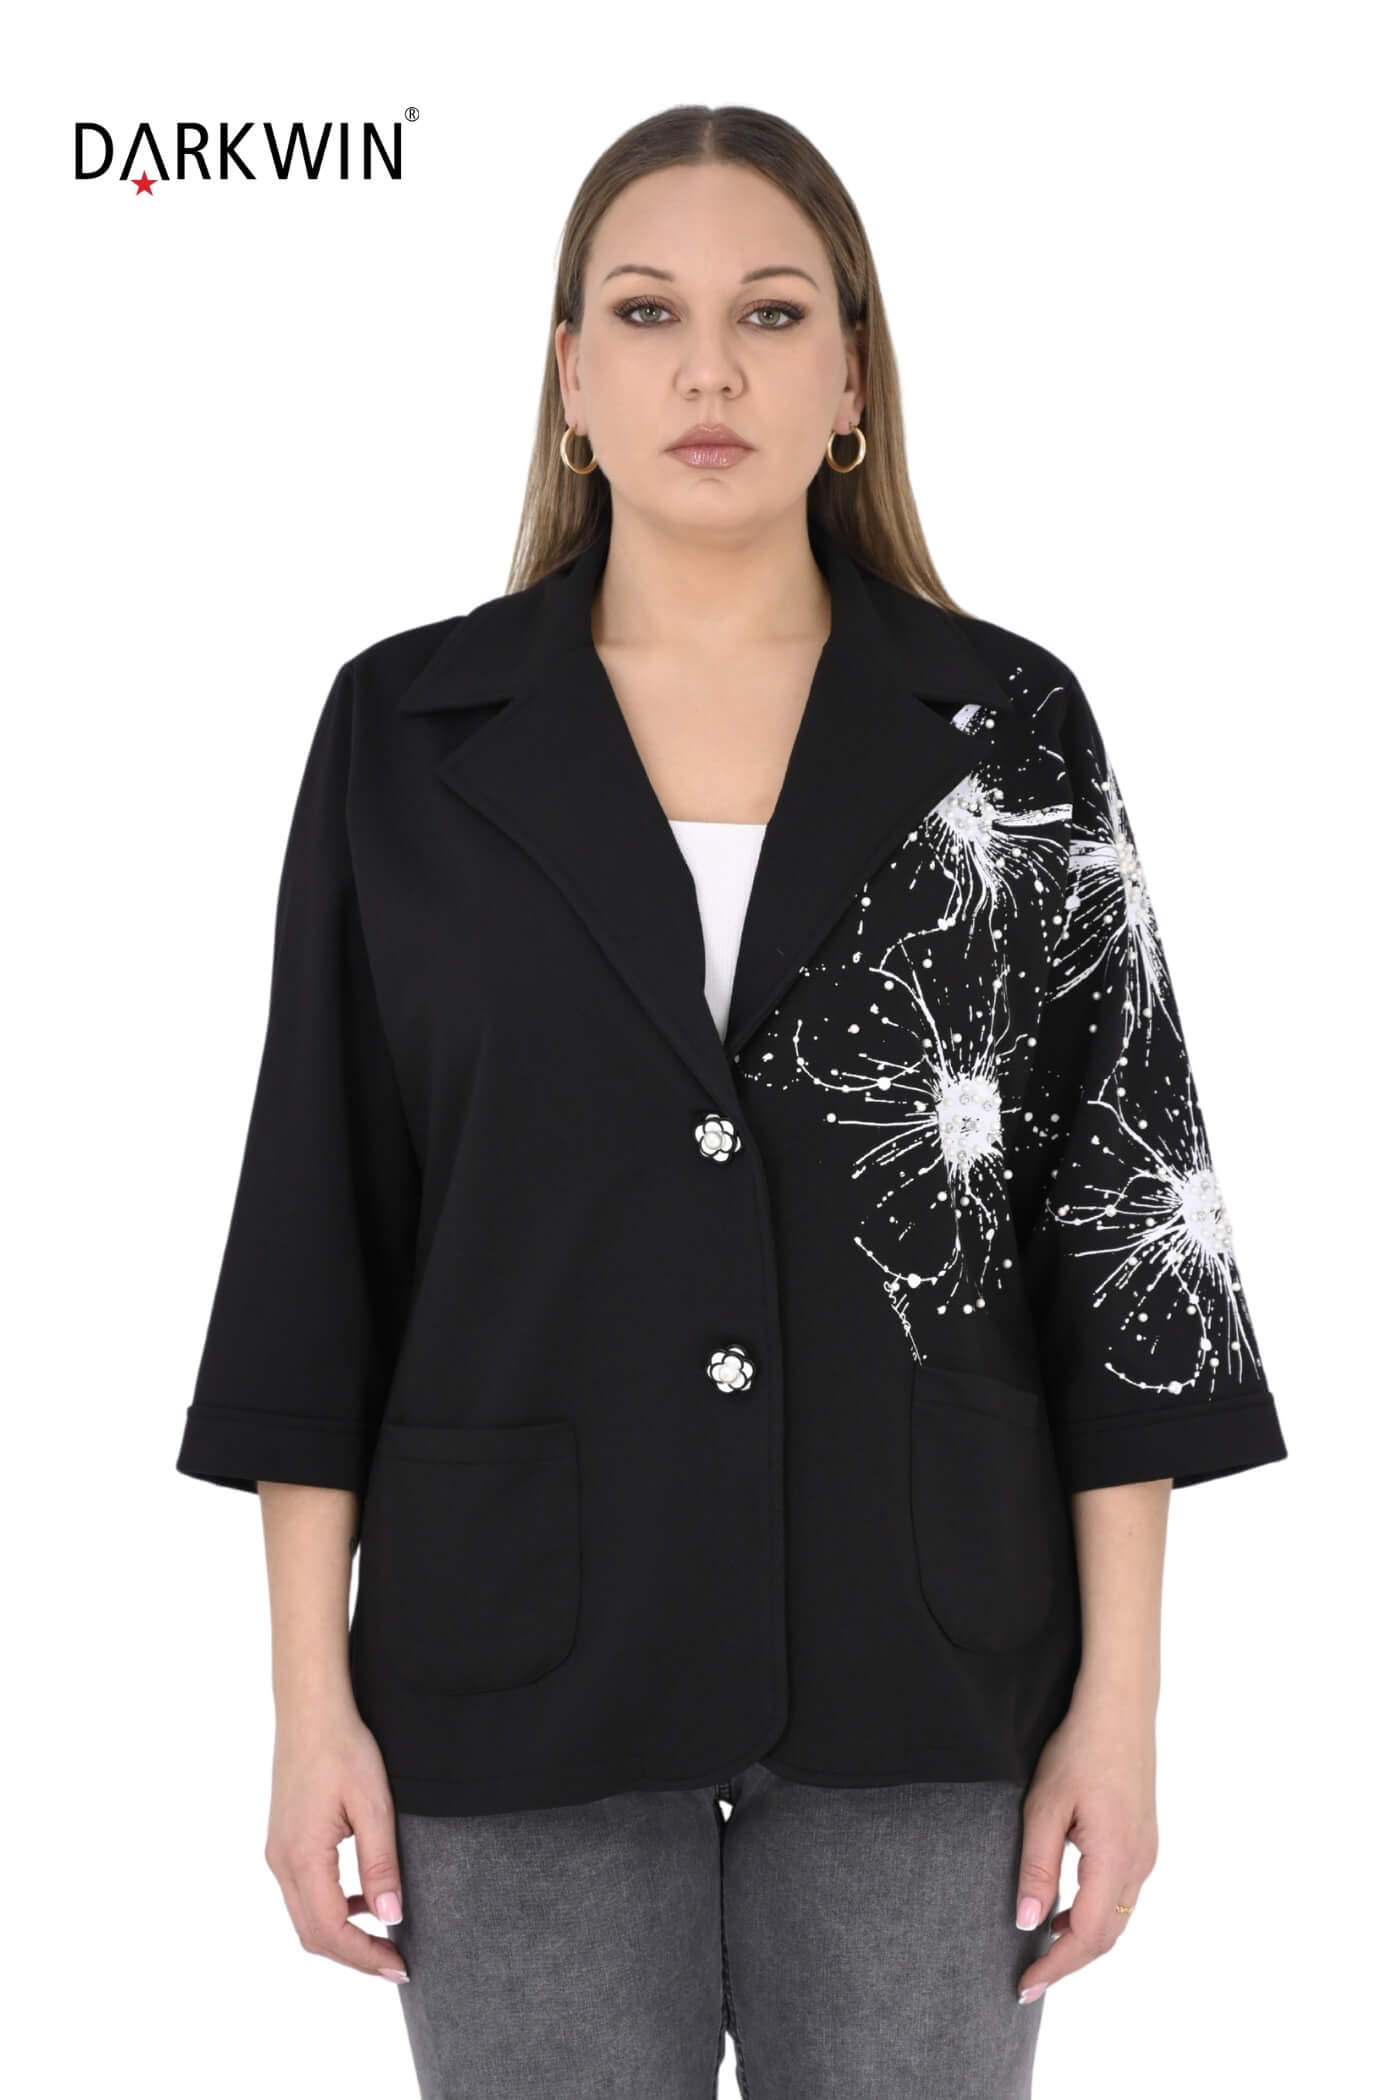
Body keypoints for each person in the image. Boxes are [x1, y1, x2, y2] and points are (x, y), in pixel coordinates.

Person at [174, 103, 1289, 2100]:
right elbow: (318, 1234)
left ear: (851, 377)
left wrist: (1118, 1714)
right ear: (569, 375)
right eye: (647, 313)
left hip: (927, 1666)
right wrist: (304, 1702)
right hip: (509, 1668)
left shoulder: (1006, 729)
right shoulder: (405, 734)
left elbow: (1125, 1236)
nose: (710, 369)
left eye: (772, 314)